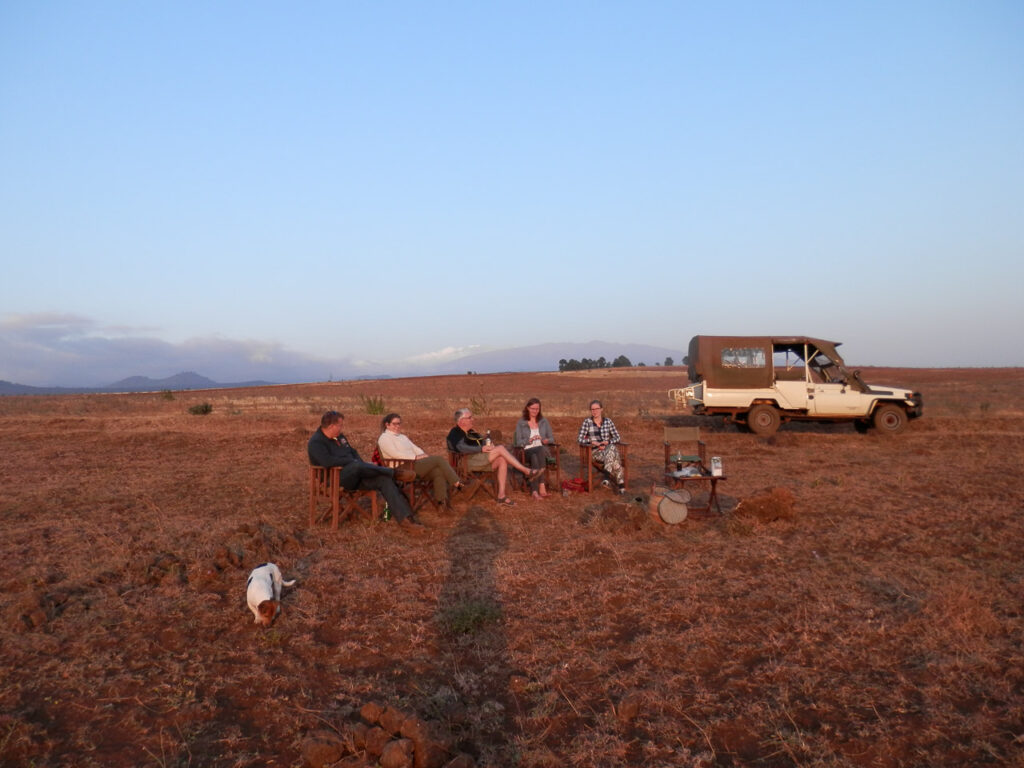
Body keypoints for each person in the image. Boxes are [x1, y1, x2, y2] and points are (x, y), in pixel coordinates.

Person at [307, 410, 425, 530]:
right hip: (333, 479)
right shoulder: (316, 442)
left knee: (384, 479)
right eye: (340, 425)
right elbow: (327, 462)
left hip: (354, 474)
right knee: (356, 465)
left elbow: (353, 452)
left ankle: (406, 520)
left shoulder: (340, 437)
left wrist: (358, 462)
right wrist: (352, 462)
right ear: (331, 426)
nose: (342, 428)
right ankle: (394, 473)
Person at [447, 407, 543, 506]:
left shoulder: (471, 432)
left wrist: (489, 444)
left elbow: (483, 441)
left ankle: (501, 496)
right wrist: (481, 449)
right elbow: (460, 447)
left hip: (477, 460)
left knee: (502, 459)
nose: (473, 419)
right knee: (500, 448)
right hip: (464, 462)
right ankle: (526, 471)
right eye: (470, 417)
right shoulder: (455, 432)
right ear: (462, 421)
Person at [377, 412, 469, 509]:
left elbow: (415, 448)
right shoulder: (384, 438)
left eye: (399, 423)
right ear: (387, 425)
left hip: (413, 465)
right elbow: (395, 454)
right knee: (438, 459)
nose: (397, 426)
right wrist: (415, 457)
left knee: (438, 472)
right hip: (400, 468)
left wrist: (423, 456)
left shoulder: (402, 437)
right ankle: (459, 484)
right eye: (394, 424)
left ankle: (442, 504)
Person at [577, 399, 626, 494]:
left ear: (601, 409)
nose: (594, 411)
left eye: (596, 409)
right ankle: (621, 486)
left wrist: (607, 442)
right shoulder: (587, 422)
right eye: (592, 409)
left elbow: (617, 437)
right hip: (595, 452)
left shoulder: (608, 422)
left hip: (607, 451)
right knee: (614, 455)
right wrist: (592, 442)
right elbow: (579, 439)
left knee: (611, 447)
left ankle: (607, 479)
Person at [514, 397, 555, 500]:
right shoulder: (521, 423)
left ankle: (534, 492)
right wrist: (529, 440)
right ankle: (542, 485)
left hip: (542, 452)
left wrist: (545, 440)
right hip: (525, 452)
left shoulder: (544, 421)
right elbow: (518, 442)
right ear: (527, 408)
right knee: (536, 451)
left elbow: (551, 439)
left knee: (536, 455)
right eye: (532, 408)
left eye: (537, 409)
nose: (535, 411)